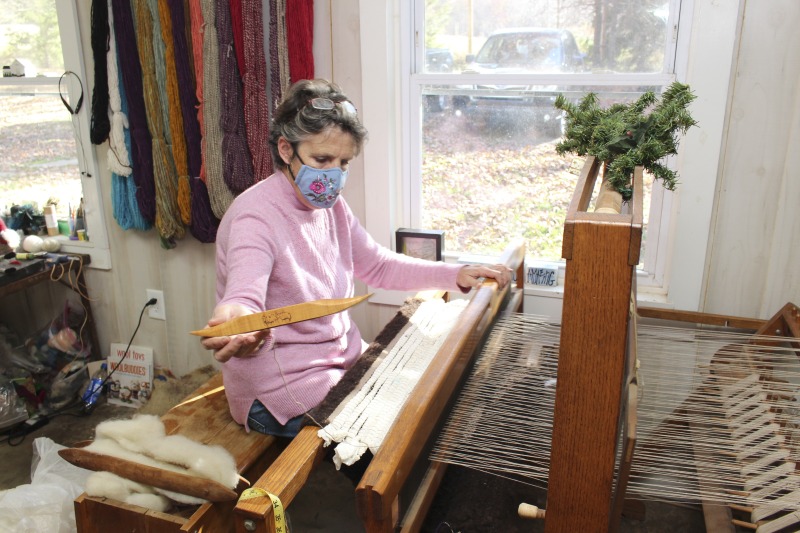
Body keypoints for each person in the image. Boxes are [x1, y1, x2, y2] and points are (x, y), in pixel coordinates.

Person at [201, 79, 512, 438]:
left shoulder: (330, 206)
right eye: (322, 159)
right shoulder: (254, 219)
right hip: (280, 388)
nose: (334, 174)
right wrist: (239, 318)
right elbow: (243, 295)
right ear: (286, 150)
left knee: (428, 398)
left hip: (339, 362)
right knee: (401, 430)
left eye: (344, 162)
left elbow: (377, 265)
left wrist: (456, 274)